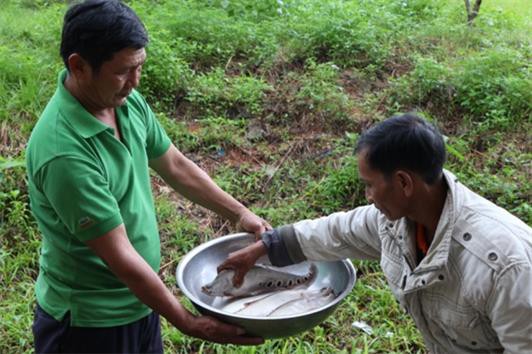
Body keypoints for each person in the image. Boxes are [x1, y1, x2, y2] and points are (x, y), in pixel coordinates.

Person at [26, 0, 269, 352]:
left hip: (140, 303)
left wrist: (239, 213)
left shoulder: (123, 101)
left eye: (139, 67)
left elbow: (174, 164)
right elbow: (120, 256)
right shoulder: (64, 152)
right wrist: (185, 321)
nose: (134, 82)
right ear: (79, 66)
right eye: (124, 70)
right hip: (89, 323)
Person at [219, 114, 532, 353]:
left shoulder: (505, 266)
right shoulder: (397, 220)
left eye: (369, 185)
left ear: (404, 183)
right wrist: (262, 248)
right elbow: (335, 232)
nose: (367, 196)